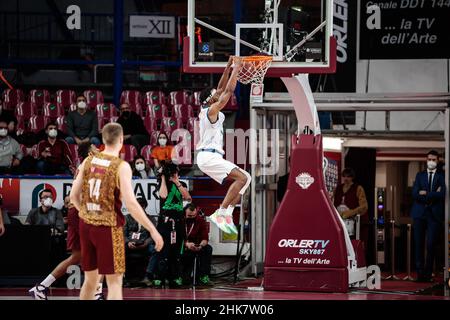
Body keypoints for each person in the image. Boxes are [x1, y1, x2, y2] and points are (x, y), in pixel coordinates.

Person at [70, 123, 163, 300]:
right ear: (121, 140)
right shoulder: (120, 166)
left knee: (90, 281)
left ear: (103, 140)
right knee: (114, 283)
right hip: (108, 227)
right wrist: (152, 230)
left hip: (86, 225)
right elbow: (131, 203)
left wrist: (87, 213)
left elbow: (74, 196)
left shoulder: (87, 161)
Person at [196, 56, 250, 235]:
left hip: (211, 156)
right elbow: (227, 92)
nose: (217, 93)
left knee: (247, 178)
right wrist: (238, 68)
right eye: (214, 94)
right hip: (208, 155)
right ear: (209, 99)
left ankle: (226, 213)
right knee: (242, 178)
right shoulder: (210, 111)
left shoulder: (210, 106)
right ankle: (221, 211)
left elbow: (220, 88)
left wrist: (228, 66)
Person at [28, 199, 105, 300]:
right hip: (81, 212)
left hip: (83, 212)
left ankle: (41, 288)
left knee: (76, 257)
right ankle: (96, 293)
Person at [153, 162, 191, 288]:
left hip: (179, 222)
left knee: (176, 253)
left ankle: (176, 277)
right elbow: (163, 195)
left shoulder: (182, 184)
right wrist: (163, 178)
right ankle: (160, 277)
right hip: (165, 222)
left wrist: (177, 182)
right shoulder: (162, 184)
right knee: (163, 252)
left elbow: (188, 198)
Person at [411, 150, 446, 282]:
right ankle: (420, 274)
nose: (431, 162)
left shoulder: (442, 176)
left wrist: (426, 193)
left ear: (438, 161)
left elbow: (442, 194)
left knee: (431, 244)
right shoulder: (419, 175)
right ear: (426, 160)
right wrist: (433, 193)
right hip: (419, 214)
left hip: (434, 215)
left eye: (434, 159)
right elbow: (415, 194)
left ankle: (428, 273)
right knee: (418, 244)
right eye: (429, 159)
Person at [123, 196, 156, 283]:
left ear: (144, 207)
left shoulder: (151, 219)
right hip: (130, 244)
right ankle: (122, 277)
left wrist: (146, 243)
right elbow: (122, 234)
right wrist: (128, 242)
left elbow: (153, 235)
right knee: (117, 250)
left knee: (156, 251)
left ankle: (148, 276)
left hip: (145, 244)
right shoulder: (127, 218)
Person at [182, 203, 213, 286]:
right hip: (184, 244)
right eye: (189, 216)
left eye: (194, 216)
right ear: (184, 214)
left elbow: (205, 238)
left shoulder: (200, 220)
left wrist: (201, 245)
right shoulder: (180, 221)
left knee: (208, 249)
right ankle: (181, 276)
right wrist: (187, 244)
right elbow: (177, 238)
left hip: (197, 244)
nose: (192, 217)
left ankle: (204, 276)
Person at [332, 168, 368, 238]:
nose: (346, 178)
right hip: (339, 221)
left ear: (352, 177)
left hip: (353, 223)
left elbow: (364, 206)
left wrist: (350, 212)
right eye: (344, 176)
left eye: (348, 176)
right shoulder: (337, 188)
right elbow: (331, 203)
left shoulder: (358, 188)